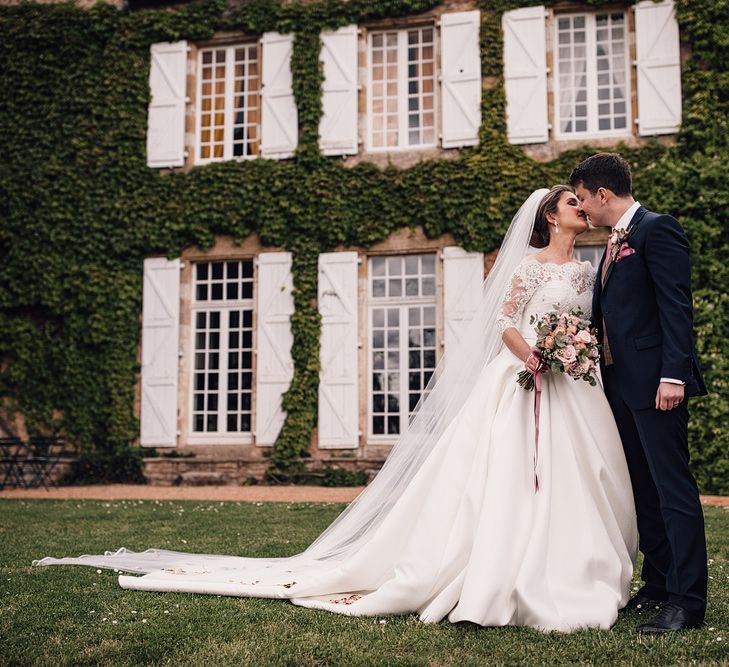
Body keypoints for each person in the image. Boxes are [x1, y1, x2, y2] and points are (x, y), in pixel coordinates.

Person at [34, 186, 638, 633]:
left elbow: (589, 325)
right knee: (506, 480)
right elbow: (506, 321)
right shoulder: (528, 268)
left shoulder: (589, 268)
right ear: (548, 216)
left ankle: (576, 571)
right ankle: (502, 573)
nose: (580, 207)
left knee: (579, 476)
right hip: (522, 378)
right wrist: (532, 354)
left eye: (581, 202)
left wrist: (575, 354)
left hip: (574, 387)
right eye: (569, 202)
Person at [570, 153, 708, 633]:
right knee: (644, 492)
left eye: (584, 199)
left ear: (602, 194)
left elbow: (676, 307)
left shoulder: (656, 229)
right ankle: (659, 586)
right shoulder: (612, 243)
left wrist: (674, 375)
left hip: (657, 385)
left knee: (673, 491)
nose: (582, 209)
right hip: (620, 388)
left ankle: (688, 603)